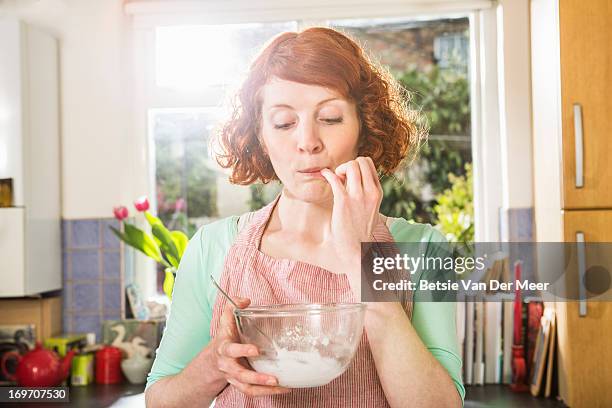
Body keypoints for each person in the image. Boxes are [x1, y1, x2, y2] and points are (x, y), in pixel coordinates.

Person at [144, 27, 464, 408]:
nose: (308, 141)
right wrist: (215, 364)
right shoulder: (213, 247)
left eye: (330, 118)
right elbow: (160, 401)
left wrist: (361, 261)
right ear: (261, 135)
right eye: (283, 123)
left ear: (364, 128)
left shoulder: (423, 249)